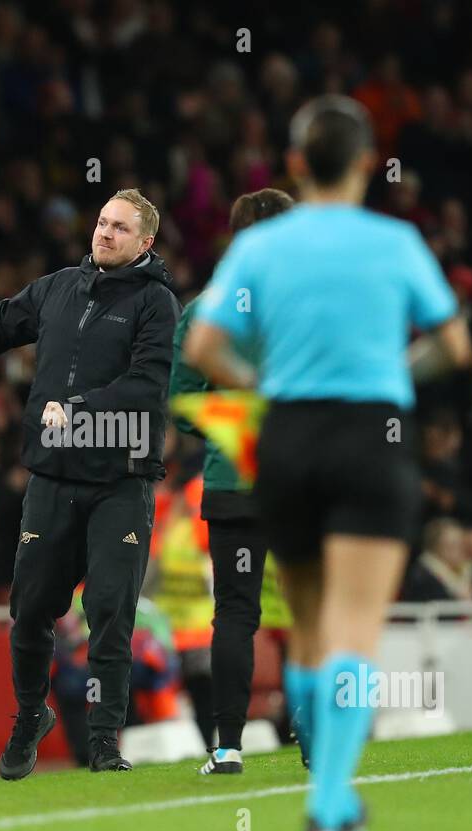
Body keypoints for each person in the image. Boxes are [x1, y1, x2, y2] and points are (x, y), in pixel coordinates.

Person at [184, 96, 471, 831]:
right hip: (371, 435)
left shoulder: (260, 249)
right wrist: (396, 374)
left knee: (307, 630)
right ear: (369, 163)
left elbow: (207, 346)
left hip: (287, 437)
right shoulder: (396, 239)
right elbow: (454, 341)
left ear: (296, 165)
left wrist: (266, 384)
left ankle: (320, 798)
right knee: (354, 629)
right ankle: (330, 803)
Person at [0, 188, 181, 777]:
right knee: (31, 607)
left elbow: (147, 385)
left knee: (111, 610)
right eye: (101, 222)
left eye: (119, 228)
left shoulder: (157, 303)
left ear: (145, 243)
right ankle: (29, 717)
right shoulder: (59, 287)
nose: (105, 233)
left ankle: (106, 739)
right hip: (54, 475)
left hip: (121, 478)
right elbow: (2, 321)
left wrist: (81, 407)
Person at [169, 186, 295, 774]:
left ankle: (227, 747)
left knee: (236, 613)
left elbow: (178, 401)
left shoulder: (207, 309)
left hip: (234, 483)